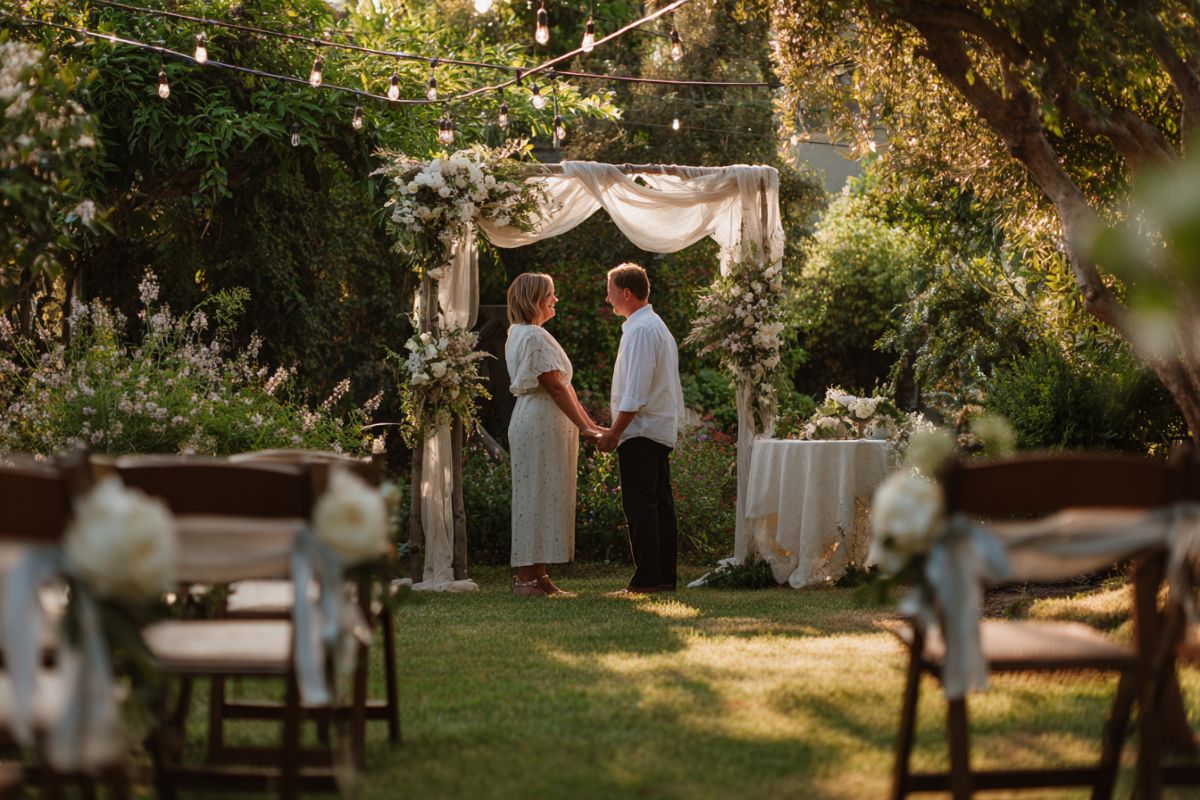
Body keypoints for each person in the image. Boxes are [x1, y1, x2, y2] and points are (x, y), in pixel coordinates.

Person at [505, 272, 601, 597]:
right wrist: (587, 427)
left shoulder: (521, 333)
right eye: (551, 294)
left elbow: (564, 388)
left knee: (541, 495)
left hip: (538, 421)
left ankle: (539, 577)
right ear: (535, 298)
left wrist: (588, 423)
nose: (555, 299)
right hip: (539, 423)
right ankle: (526, 580)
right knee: (536, 496)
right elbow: (556, 388)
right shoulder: (533, 336)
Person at [595, 263, 684, 595]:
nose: (608, 298)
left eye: (611, 291)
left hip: (643, 432)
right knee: (658, 505)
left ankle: (648, 579)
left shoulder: (643, 330)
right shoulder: (648, 326)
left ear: (626, 293)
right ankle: (663, 577)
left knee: (641, 506)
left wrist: (614, 432)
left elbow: (635, 394)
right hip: (654, 430)